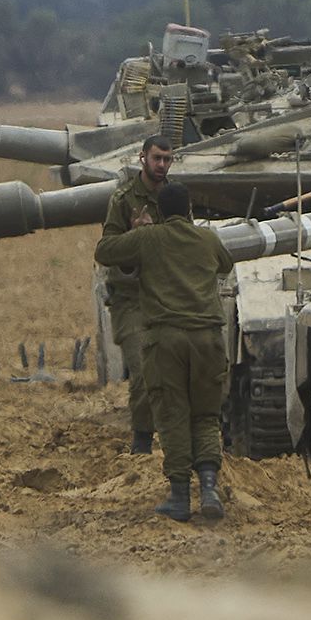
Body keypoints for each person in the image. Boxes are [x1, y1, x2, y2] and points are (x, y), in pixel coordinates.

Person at [95, 181, 237, 522]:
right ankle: (209, 488)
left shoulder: (149, 238)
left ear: (161, 210)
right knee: (205, 415)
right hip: (207, 339)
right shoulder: (207, 239)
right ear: (189, 210)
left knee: (173, 415)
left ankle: (179, 495)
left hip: (167, 340)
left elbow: (104, 252)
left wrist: (137, 232)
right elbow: (225, 264)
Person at [99, 135, 172, 455]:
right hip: (131, 299)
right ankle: (142, 441)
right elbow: (106, 250)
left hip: (168, 297)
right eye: (157, 158)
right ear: (143, 158)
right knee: (143, 371)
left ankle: (178, 440)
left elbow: (186, 238)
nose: (162, 165)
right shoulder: (124, 199)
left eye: (167, 159)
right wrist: (135, 236)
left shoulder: (175, 197)